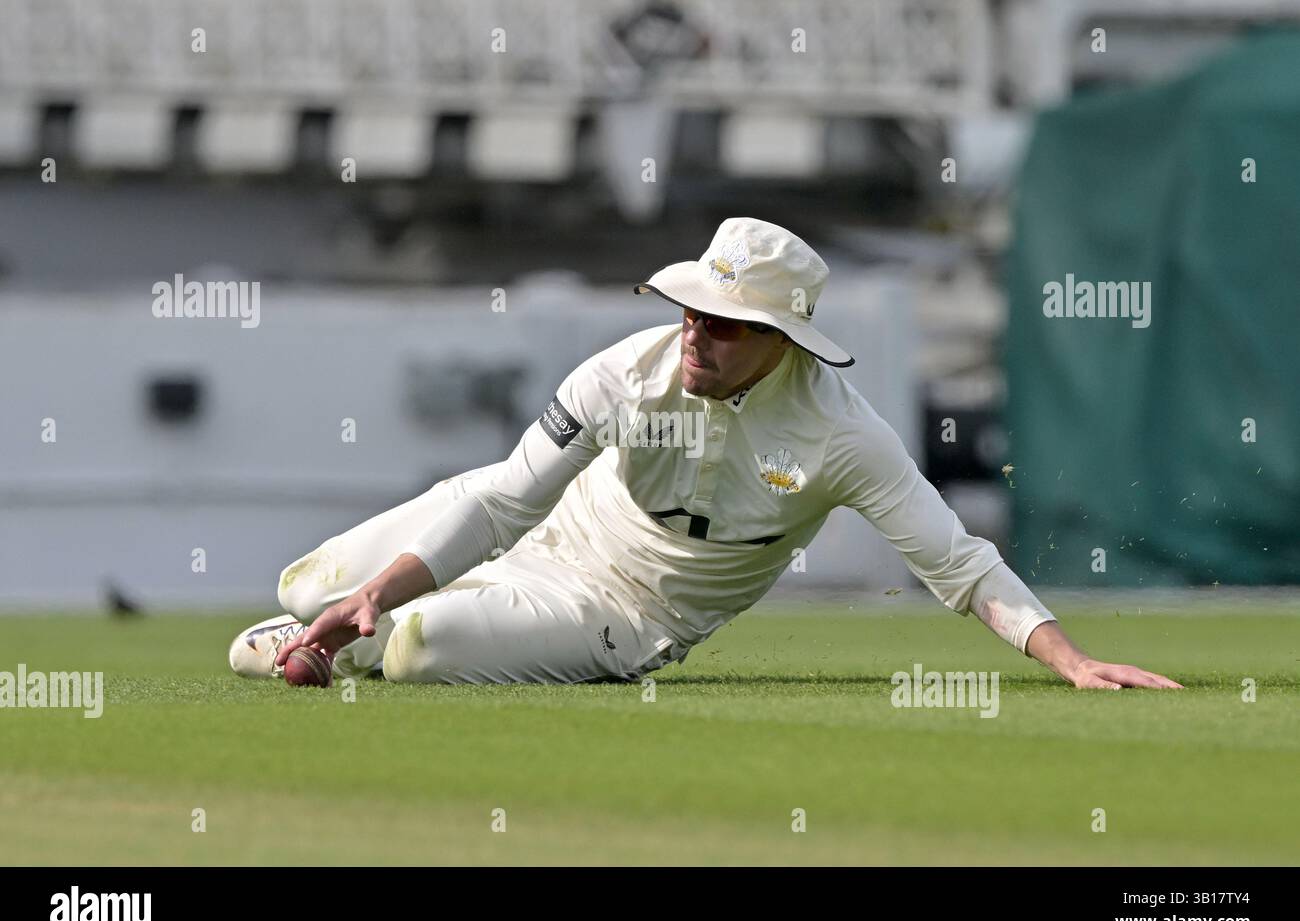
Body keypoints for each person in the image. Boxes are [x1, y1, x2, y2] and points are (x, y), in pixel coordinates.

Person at [230, 217, 1181, 690]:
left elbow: (956, 561)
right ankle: (321, 632)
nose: (697, 337)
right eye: (692, 313)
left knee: (419, 652)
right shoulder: (619, 373)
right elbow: (504, 502)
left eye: (726, 325)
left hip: (625, 611)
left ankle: (337, 651)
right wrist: (369, 594)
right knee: (302, 583)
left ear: (784, 341)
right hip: (543, 532)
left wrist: (1070, 661)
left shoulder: (843, 434)